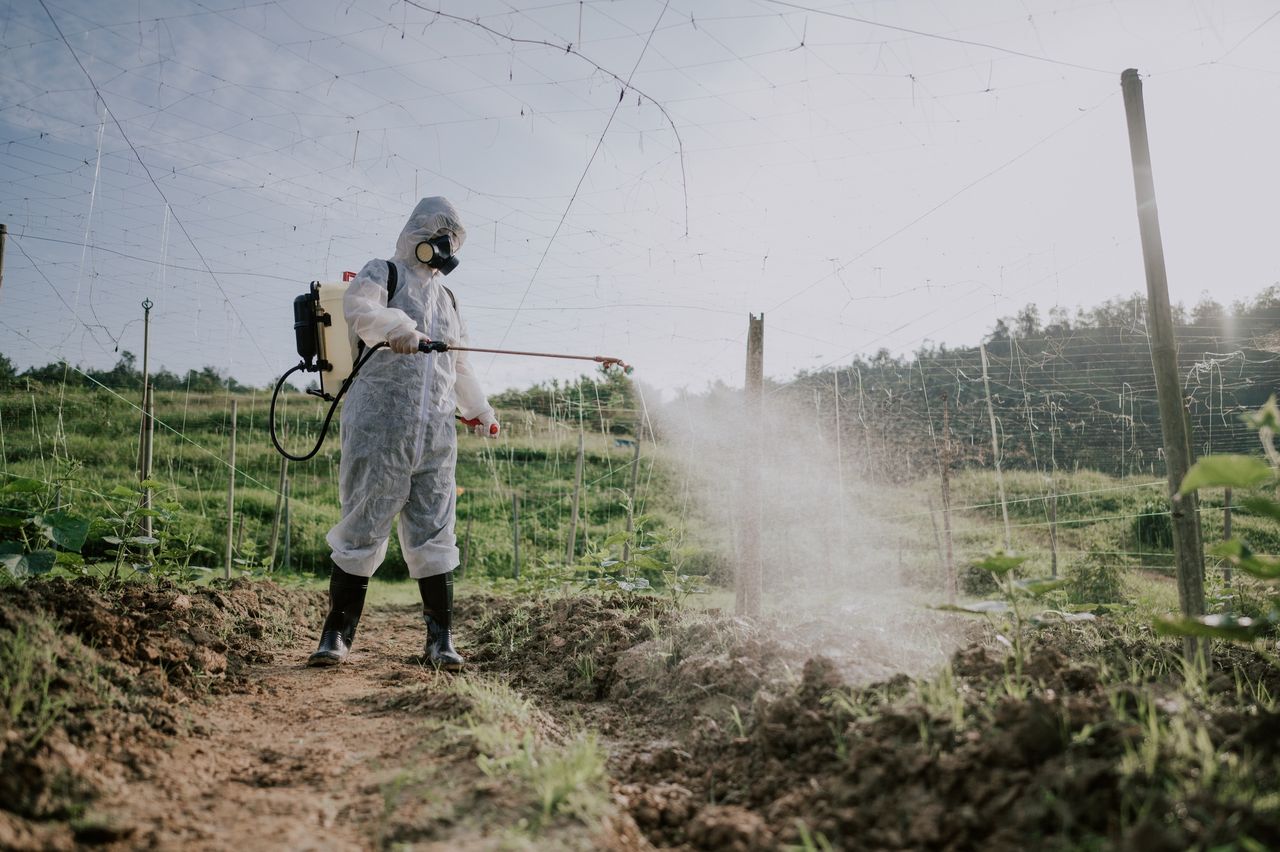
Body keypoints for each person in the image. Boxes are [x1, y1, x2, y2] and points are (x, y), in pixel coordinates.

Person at [308, 197, 499, 671]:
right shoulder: (384, 272)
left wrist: (479, 409)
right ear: (419, 234)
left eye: (452, 243)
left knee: (436, 529)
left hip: (435, 431)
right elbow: (360, 309)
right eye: (440, 238)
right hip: (380, 426)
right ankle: (336, 635)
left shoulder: (450, 300)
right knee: (361, 524)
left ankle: (440, 641)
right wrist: (399, 326)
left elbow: (459, 363)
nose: (444, 249)